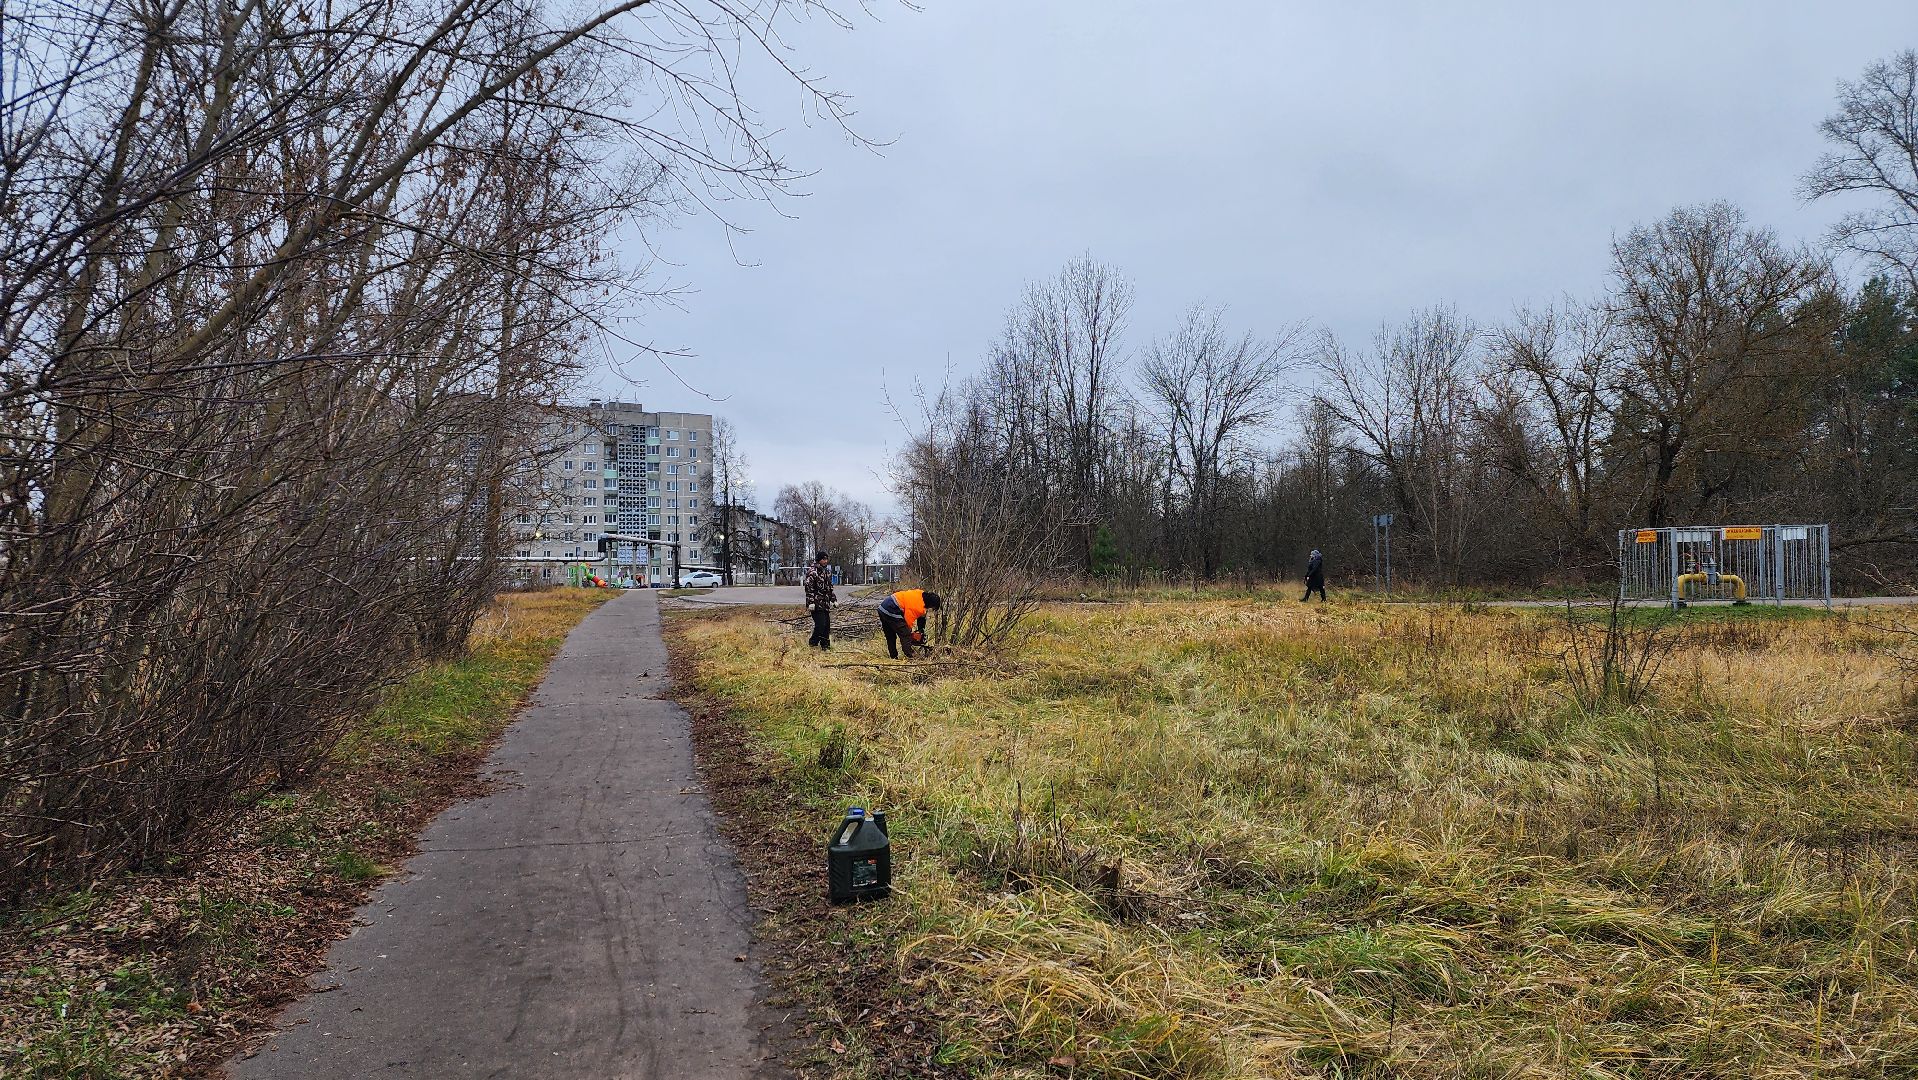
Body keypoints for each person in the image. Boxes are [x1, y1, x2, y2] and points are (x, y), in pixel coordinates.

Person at [877, 588, 942, 659]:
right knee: (905, 633)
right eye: (932, 608)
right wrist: (912, 636)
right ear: (931, 604)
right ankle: (911, 655)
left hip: (883, 608)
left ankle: (893, 657)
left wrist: (921, 631)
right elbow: (908, 621)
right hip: (892, 608)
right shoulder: (917, 607)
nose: (931, 610)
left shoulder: (920, 594)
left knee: (890, 635)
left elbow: (921, 618)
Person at [804, 552, 836, 650]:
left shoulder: (826, 572)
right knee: (820, 624)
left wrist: (833, 599)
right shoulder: (812, 572)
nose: (825, 561)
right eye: (823, 559)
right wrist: (811, 602)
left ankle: (825, 645)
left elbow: (829, 588)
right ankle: (813, 643)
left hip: (825, 603)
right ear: (819, 560)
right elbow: (809, 588)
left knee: (826, 626)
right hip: (816, 604)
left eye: (826, 559)